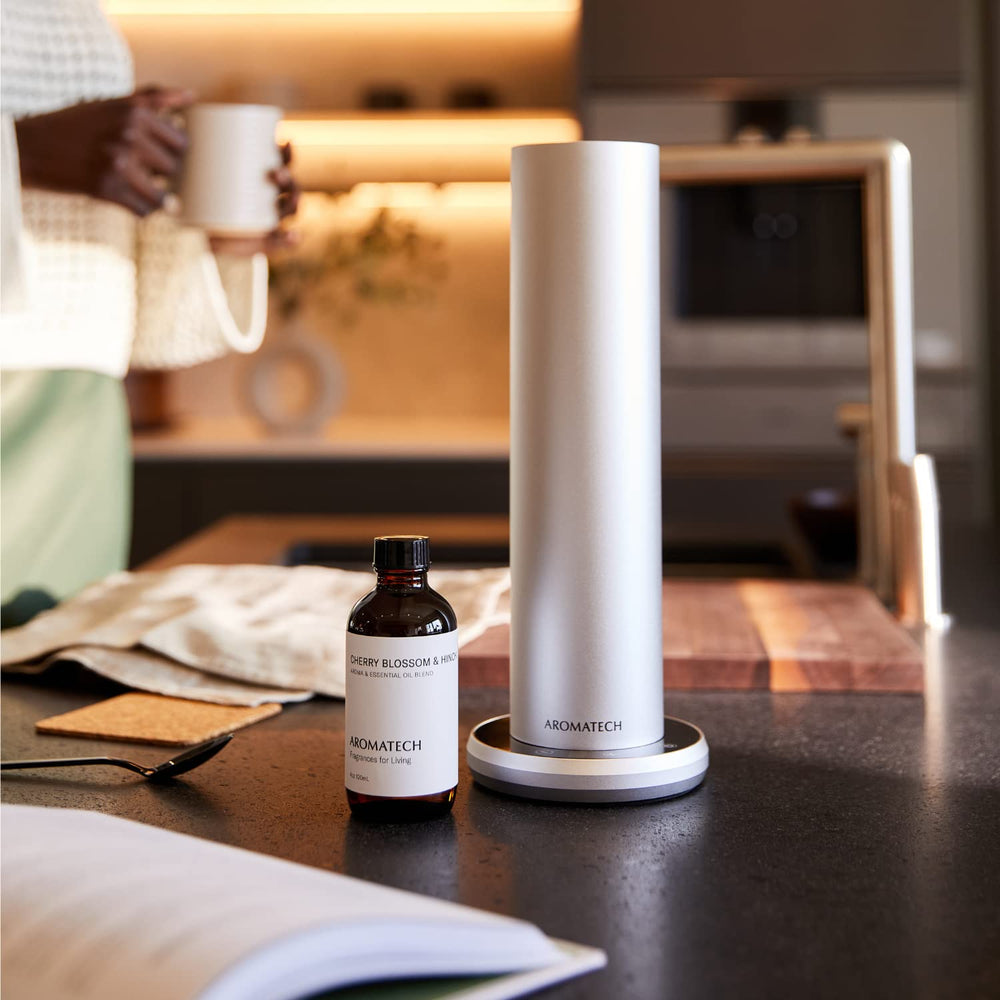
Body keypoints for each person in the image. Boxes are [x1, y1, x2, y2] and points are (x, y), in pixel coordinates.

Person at [0, 0, 299, 626]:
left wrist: (213, 232)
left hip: (76, 417)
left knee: (43, 697)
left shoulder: (80, 12)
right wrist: (21, 150)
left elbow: (127, 307)